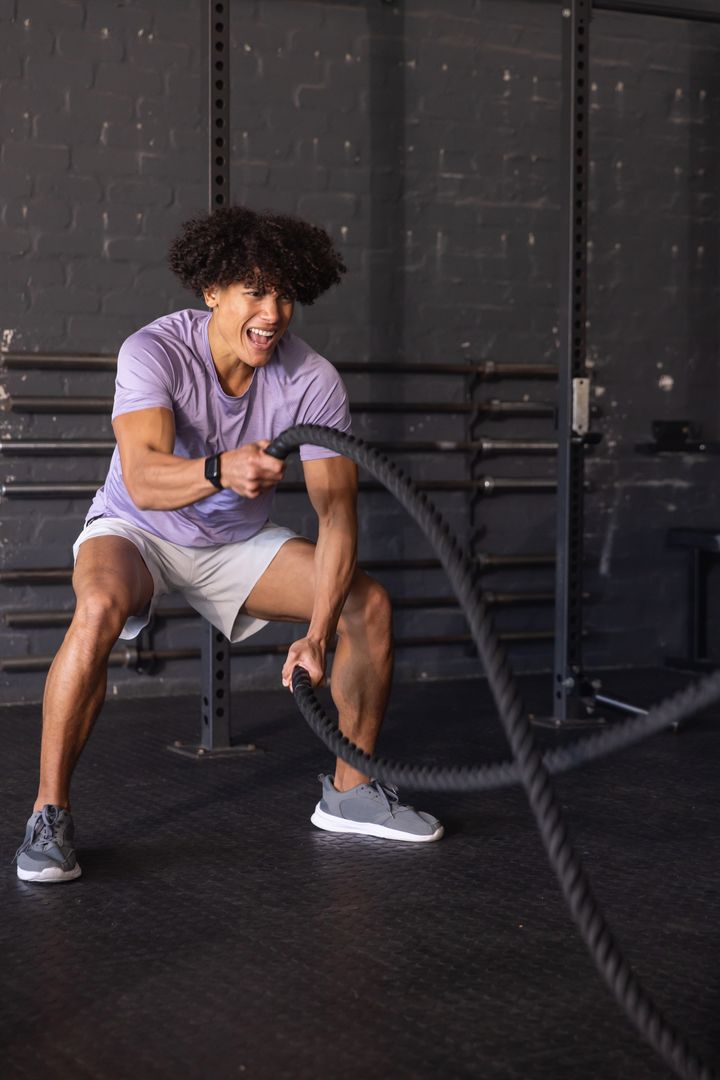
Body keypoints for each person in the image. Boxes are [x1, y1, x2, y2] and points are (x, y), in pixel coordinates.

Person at [15, 206, 443, 883]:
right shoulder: (153, 351)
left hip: (234, 543)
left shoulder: (312, 380)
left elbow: (337, 519)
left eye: (284, 293)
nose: (272, 311)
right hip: (139, 528)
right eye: (254, 289)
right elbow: (145, 479)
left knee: (369, 605)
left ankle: (351, 792)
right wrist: (219, 468)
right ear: (211, 290)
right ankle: (48, 814)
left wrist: (320, 634)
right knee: (97, 606)